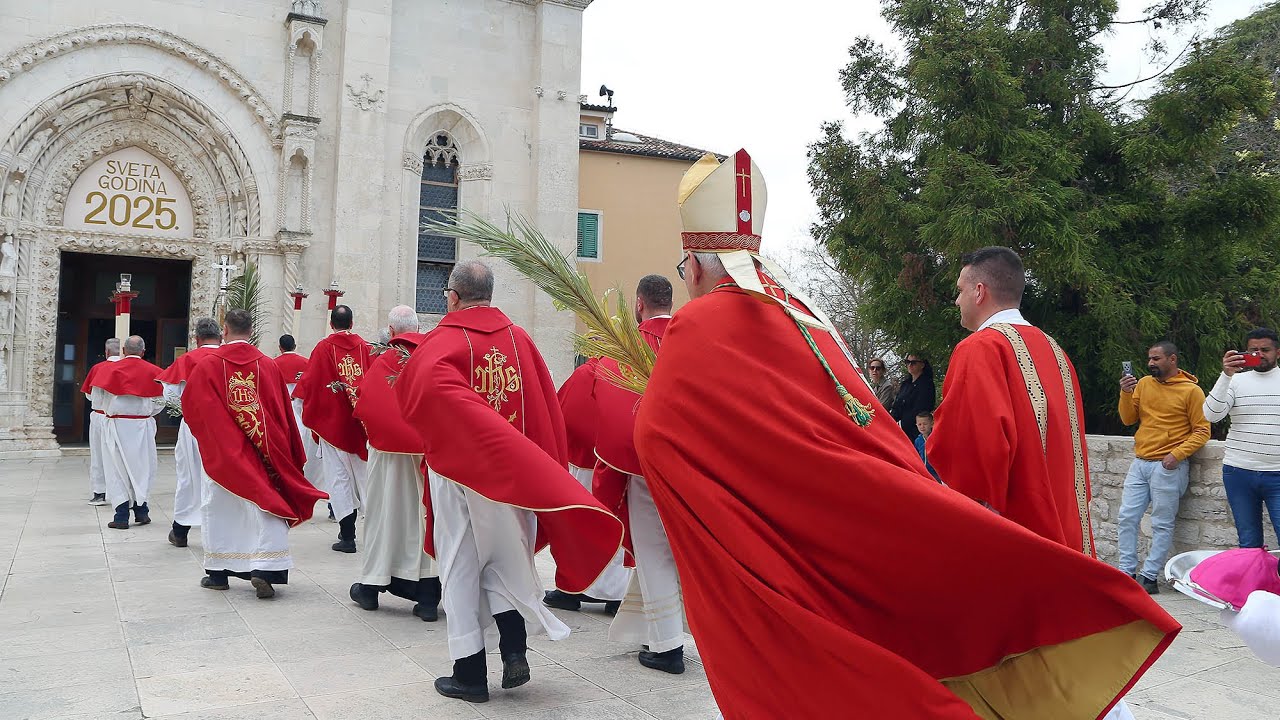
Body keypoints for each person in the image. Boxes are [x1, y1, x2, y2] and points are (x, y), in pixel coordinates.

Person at [633, 148, 1178, 717]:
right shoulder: (805, 315)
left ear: (694, 266)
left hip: (979, 521)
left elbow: (975, 450)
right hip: (1057, 523)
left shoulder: (980, 349)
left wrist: (942, 509)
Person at [396, 260, 623, 704]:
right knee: (507, 561)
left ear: (453, 296)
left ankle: (469, 673)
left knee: (461, 565)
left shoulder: (441, 341)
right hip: (515, 476)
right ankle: (515, 650)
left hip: (460, 475)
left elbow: (416, 393)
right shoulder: (519, 340)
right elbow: (544, 409)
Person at [928, 247, 1095, 552]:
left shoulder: (980, 348)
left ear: (980, 292)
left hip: (1016, 529)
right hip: (1065, 529)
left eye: (960, 290)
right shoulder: (1055, 350)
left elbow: (974, 450)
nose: (956, 300)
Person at [558, 274, 685, 674]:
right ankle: (650, 628)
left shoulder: (627, 350)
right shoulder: (691, 342)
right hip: (690, 470)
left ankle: (667, 647)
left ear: (639, 303)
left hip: (645, 469)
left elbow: (610, 412)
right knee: (673, 553)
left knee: (653, 554)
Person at [182, 309, 328, 598]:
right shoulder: (267, 365)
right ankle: (265, 568)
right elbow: (282, 412)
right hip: (265, 450)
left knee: (221, 506)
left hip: (224, 452)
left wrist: (216, 437)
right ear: (252, 331)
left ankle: (219, 573)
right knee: (264, 503)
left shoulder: (208, 365)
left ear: (224, 330)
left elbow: (192, 407)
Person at [348, 305, 441, 621]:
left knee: (384, 518)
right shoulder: (432, 359)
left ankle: (371, 589)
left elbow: (367, 408)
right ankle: (428, 599)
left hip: (388, 458)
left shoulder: (385, 360)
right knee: (426, 519)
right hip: (428, 459)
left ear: (390, 331)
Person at [1118, 341, 1211, 594]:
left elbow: (1203, 430)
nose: (1150, 363)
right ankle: (1126, 571)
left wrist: (1176, 455)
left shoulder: (1191, 391)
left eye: (1156, 359)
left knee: (1161, 522)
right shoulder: (1144, 384)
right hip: (1140, 462)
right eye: (1149, 358)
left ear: (1172, 359)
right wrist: (1126, 393)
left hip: (1167, 466)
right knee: (1127, 517)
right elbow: (1128, 419)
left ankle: (1149, 577)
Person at [293, 305, 370, 552]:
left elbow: (309, 386)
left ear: (331, 324)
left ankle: (347, 537)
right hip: (362, 426)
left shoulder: (323, 348)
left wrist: (312, 415)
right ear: (352, 323)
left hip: (333, 427)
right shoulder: (365, 348)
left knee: (339, 480)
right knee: (366, 479)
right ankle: (379, 536)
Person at [1204, 327, 1280, 550]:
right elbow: (1211, 415)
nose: (1259, 354)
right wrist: (1226, 374)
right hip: (1239, 472)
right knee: (1248, 543)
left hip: (1278, 473)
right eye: (1253, 350)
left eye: (1265, 350)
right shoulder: (1235, 382)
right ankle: (1253, 585)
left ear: (1277, 352)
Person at [155, 318, 222, 548]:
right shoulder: (230, 358)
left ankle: (181, 530)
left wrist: (185, 406)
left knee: (189, 476)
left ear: (197, 339)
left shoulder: (187, 360)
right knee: (223, 477)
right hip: (227, 428)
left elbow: (171, 395)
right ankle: (220, 530)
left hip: (194, 425)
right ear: (221, 336)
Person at [89, 335, 164, 530]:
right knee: (143, 468)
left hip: (115, 425)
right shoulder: (155, 372)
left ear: (123, 351)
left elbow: (96, 400)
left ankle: (121, 515)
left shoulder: (109, 370)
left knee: (116, 469)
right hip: (143, 426)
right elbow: (161, 402)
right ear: (143, 352)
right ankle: (142, 511)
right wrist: (145, 413)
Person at [273, 334, 321, 489]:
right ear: (294, 346)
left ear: (280, 348)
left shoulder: (273, 365)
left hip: (282, 414)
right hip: (302, 413)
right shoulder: (306, 363)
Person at [82, 337, 122, 506]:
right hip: (122, 419)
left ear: (106, 352)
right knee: (120, 456)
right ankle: (121, 493)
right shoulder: (126, 368)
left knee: (98, 454)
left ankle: (99, 492)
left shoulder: (98, 368)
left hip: (100, 416)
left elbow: (89, 394)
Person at [889, 353, 934, 440]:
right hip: (900, 429)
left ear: (922, 365)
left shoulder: (926, 384)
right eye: (907, 362)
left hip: (917, 430)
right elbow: (897, 405)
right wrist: (891, 421)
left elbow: (921, 408)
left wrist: (901, 424)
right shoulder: (905, 384)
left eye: (913, 362)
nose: (909, 365)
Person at [913, 411, 940, 483]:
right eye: (919, 424)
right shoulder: (918, 440)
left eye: (925, 424)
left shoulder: (936, 438)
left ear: (932, 424)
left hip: (937, 472)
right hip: (924, 471)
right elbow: (916, 455)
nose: (922, 427)